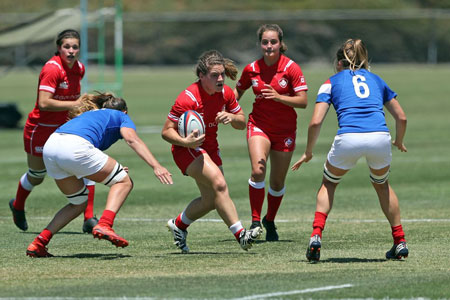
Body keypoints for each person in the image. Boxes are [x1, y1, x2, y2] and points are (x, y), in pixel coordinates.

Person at [291, 38, 409, 262]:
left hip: (348, 138)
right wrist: (399, 141)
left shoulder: (331, 82)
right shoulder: (376, 79)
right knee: (382, 185)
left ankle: (316, 235)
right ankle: (399, 240)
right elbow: (401, 117)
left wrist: (308, 152)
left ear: (338, 63)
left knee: (329, 182)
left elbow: (315, 122)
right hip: (379, 137)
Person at [26, 93, 173, 257]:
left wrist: (113, 170)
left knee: (78, 203)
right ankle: (105, 224)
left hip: (51, 146)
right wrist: (156, 166)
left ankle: (39, 243)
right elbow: (132, 140)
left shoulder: (91, 115)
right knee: (124, 182)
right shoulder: (121, 116)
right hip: (74, 147)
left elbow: (83, 158)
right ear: (125, 111)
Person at [161, 50, 262, 253]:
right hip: (186, 149)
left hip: (210, 147)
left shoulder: (225, 94)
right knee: (219, 184)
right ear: (201, 76)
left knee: (211, 200)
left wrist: (232, 118)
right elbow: (165, 131)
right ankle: (241, 234)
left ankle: (179, 225)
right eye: (215, 75)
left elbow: (242, 123)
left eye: (222, 74)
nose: (221, 79)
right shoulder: (188, 98)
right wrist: (185, 141)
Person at [9, 29, 98, 233]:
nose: (71, 50)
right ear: (59, 48)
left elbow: (74, 98)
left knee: (86, 166)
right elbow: (44, 103)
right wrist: (75, 103)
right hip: (40, 129)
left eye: (75, 47)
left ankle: (89, 218)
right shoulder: (52, 69)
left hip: (65, 129)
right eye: (66, 46)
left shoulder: (79, 68)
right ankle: (18, 205)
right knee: (37, 175)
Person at [233, 24, 308, 241]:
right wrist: (231, 108)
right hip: (259, 125)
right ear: (260, 44)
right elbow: (239, 89)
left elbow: (302, 102)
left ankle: (270, 219)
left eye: (273, 41)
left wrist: (278, 97)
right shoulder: (251, 69)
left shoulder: (291, 68)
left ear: (280, 44)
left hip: (285, 130)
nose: (269, 46)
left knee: (277, 182)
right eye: (265, 42)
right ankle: (255, 221)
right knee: (258, 171)